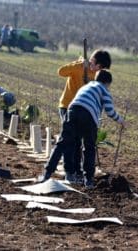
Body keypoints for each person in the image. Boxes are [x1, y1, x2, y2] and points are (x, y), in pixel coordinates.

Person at [39, 70, 125, 189]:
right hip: (88, 116)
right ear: (107, 83)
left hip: (72, 110)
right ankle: (88, 181)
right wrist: (120, 120)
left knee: (62, 143)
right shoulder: (104, 90)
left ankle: (46, 174)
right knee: (89, 148)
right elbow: (109, 111)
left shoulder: (87, 86)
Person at [56, 49, 111, 184]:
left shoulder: (97, 76)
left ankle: (78, 171)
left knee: (79, 143)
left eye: (101, 68)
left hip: (84, 111)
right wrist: (78, 64)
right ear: (92, 61)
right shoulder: (79, 67)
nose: (99, 70)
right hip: (67, 107)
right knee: (70, 140)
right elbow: (61, 71)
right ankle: (70, 172)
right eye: (98, 66)